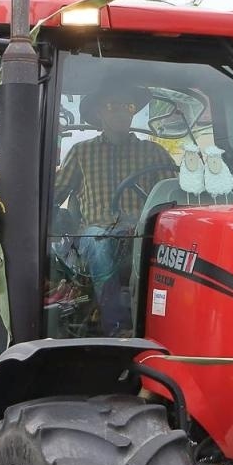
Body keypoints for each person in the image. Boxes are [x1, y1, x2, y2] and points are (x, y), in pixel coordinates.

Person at [54, 82, 176, 334]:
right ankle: (117, 327)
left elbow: (176, 192)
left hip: (141, 235)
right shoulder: (81, 152)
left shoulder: (153, 152)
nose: (121, 111)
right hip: (96, 234)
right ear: (100, 112)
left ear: (134, 112)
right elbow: (54, 194)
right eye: (113, 105)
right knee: (99, 240)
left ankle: (171, 322)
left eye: (128, 106)